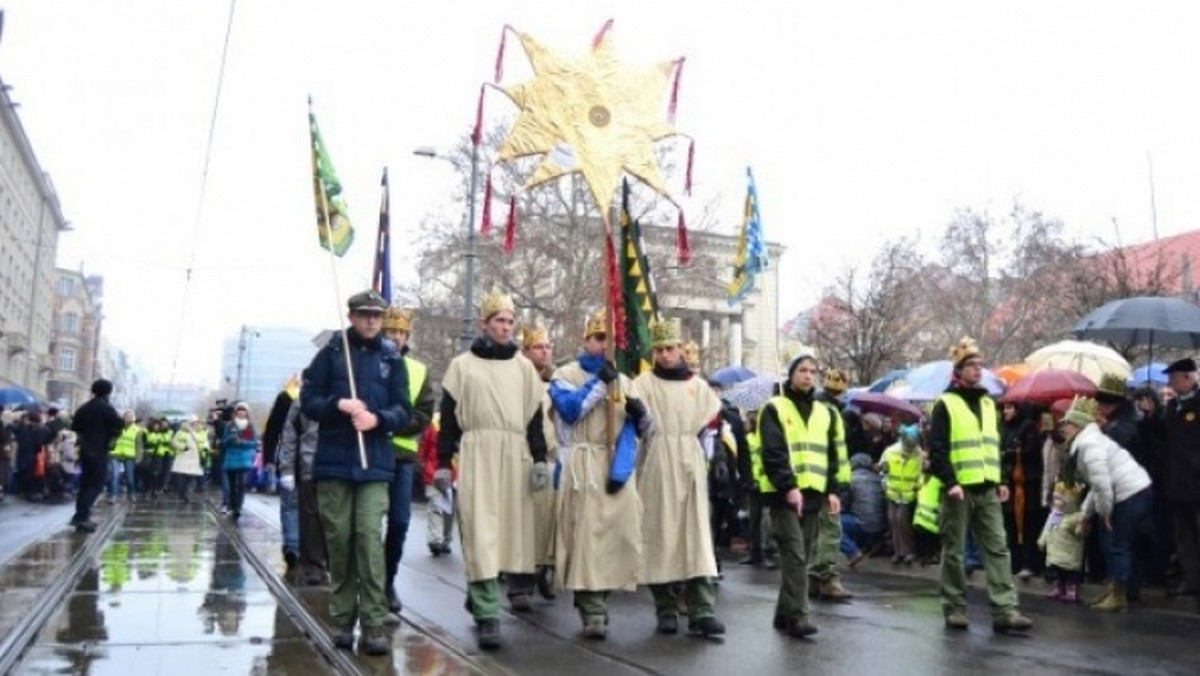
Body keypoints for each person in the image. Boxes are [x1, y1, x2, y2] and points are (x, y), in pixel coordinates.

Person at [301, 288, 412, 655]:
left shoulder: (392, 358)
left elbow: (404, 411)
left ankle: (374, 623)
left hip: (375, 464)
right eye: (364, 314)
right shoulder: (331, 354)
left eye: (376, 316)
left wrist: (377, 419)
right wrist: (339, 404)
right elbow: (310, 402)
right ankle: (343, 619)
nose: (370, 321)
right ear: (351, 316)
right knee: (340, 541)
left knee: (368, 538)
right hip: (334, 464)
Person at [435, 290, 548, 650]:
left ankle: (478, 592)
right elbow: (449, 419)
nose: (505, 327)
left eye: (510, 321)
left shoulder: (523, 369)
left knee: (510, 535)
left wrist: (540, 458)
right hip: (478, 452)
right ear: (485, 324)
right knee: (480, 530)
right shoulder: (462, 366)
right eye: (499, 320)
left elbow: (534, 418)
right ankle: (487, 614)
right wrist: (441, 463)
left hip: (515, 453)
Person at [548, 310, 649, 639]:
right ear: (586, 340)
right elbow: (570, 409)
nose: (604, 345)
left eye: (609, 339)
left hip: (615, 464)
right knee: (588, 537)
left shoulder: (626, 380)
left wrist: (640, 415)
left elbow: (643, 430)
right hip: (582, 462)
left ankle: (598, 598)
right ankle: (593, 609)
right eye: (598, 338)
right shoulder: (564, 374)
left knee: (617, 536)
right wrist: (599, 382)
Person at [928, 337, 1031, 632]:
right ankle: (955, 607)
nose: (977, 370)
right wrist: (950, 482)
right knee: (955, 551)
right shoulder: (945, 404)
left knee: (998, 549)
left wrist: (999, 479)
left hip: (986, 487)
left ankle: (1005, 610)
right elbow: (937, 449)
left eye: (979, 365)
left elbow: (991, 446)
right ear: (958, 371)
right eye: (970, 365)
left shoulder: (988, 403)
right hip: (958, 489)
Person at [632, 317, 725, 637]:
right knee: (661, 536)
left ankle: (702, 610)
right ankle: (666, 608)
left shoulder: (698, 388)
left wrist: (714, 461)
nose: (665, 355)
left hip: (689, 463)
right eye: (659, 350)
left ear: (681, 350)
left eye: (670, 348)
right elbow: (637, 424)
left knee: (696, 537)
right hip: (657, 462)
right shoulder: (642, 385)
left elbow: (707, 429)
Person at [753, 352, 844, 638]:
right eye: (802, 370)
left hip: (814, 493)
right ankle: (799, 615)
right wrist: (788, 486)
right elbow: (773, 451)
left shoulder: (825, 412)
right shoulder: (775, 408)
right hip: (784, 495)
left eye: (812, 371)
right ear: (791, 374)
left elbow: (831, 454)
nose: (808, 375)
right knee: (794, 554)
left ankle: (784, 613)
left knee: (800, 557)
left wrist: (833, 490)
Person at [1057, 395, 1153, 612]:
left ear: (1080, 425)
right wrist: (1086, 514)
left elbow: (1101, 485)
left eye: (1068, 423)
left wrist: (1105, 512)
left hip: (1131, 493)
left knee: (1120, 545)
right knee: (1118, 544)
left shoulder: (1090, 446)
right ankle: (1117, 590)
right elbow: (1096, 484)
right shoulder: (1089, 442)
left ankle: (1120, 596)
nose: (1064, 427)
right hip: (1132, 491)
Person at [381, 306, 436, 619]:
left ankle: (388, 580)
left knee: (400, 521)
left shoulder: (417, 369)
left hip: (402, 456)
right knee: (367, 523)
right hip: (371, 454)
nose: (396, 338)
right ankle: (370, 579)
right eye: (391, 332)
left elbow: (424, 412)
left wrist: (392, 423)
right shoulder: (368, 364)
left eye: (401, 333)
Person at [1155, 358, 1200, 601]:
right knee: (1184, 536)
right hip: (1176, 482)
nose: (1170, 382)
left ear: (1188, 378)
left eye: (1174, 377)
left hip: (1196, 480)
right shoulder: (1171, 407)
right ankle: (1191, 579)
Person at [522, 321, 559, 602]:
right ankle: (522, 575)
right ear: (526, 351)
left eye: (547, 347)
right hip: (523, 456)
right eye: (538, 347)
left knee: (550, 519)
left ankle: (545, 568)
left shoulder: (556, 383)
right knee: (526, 520)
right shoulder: (519, 380)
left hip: (551, 457)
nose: (544, 352)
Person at [809, 368, 854, 601]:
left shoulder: (819, 408)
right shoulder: (830, 412)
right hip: (827, 481)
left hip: (818, 479)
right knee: (830, 530)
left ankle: (813, 580)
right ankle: (825, 577)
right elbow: (831, 452)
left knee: (818, 532)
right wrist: (833, 488)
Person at [278, 395, 328, 586]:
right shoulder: (302, 401)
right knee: (311, 518)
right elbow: (289, 436)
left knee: (330, 517)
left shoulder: (345, 393)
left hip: (337, 468)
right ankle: (313, 564)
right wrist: (287, 469)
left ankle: (325, 561)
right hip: (309, 467)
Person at [68, 380, 125, 533]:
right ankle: (82, 516)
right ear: (108, 392)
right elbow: (120, 424)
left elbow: (74, 426)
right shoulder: (106, 407)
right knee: (97, 484)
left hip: (85, 450)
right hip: (99, 450)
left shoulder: (84, 407)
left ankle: (80, 516)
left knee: (85, 484)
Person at [881, 423, 923, 564]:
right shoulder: (891, 452)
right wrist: (885, 483)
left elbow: (920, 473)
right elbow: (883, 469)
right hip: (892, 491)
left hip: (908, 493)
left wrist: (918, 486)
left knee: (902, 521)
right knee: (892, 520)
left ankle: (908, 551)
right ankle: (898, 551)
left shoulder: (919, 454)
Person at [1037, 481, 1087, 602]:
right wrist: (1042, 540)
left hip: (1070, 553)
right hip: (1056, 551)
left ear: (1069, 501)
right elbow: (1047, 528)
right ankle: (1060, 588)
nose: (1056, 503)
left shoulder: (1076, 517)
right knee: (1059, 572)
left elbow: (1079, 533)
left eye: (1059, 499)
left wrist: (1081, 528)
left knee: (1070, 573)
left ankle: (1072, 590)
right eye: (1054, 499)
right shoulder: (1053, 515)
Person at [840, 453, 885, 567]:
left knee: (832, 524)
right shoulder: (878, 478)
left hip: (862, 525)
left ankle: (852, 552)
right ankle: (872, 543)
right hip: (880, 526)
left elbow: (844, 504)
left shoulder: (850, 479)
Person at [418, 418, 454, 556]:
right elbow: (424, 447)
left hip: (445, 473)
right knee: (439, 508)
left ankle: (442, 540)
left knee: (444, 509)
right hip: (440, 473)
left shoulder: (437, 423)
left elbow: (424, 448)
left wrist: (423, 463)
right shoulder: (435, 424)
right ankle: (437, 541)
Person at [107, 410, 143, 504]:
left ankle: (131, 494)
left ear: (134, 418)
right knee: (114, 476)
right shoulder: (118, 427)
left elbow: (139, 445)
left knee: (129, 477)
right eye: (127, 416)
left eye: (131, 416)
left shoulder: (137, 430)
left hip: (129, 455)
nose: (129, 418)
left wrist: (138, 457)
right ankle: (113, 496)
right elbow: (112, 439)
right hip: (116, 454)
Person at [170, 416, 208, 502]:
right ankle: (182, 494)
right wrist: (183, 447)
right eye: (192, 423)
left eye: (195, 423)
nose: (194, 425)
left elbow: (200, 440)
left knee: (192, 477)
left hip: (194, 458)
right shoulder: (180, 432)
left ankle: (188, 494)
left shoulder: (201, 432)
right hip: (182, 457)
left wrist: (192, 432)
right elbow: (174, 442)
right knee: (182, 478)